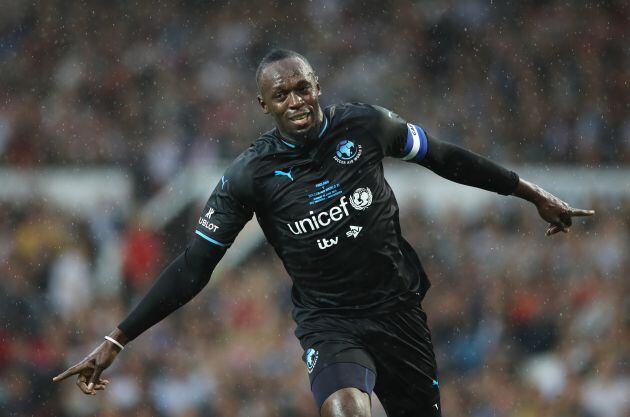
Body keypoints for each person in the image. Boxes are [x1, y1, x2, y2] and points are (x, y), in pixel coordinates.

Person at [53, 49, 594, 417]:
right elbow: (194, 267)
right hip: (330, 321)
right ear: (263, 106)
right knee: (346, 410)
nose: (297, 102)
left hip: (399, 311)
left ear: (319, 87)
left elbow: (447, 158)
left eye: (303, 88)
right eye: (282, 95)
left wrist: (530, 193)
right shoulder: (248, 177)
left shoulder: (365, 124)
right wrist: (118, 337)